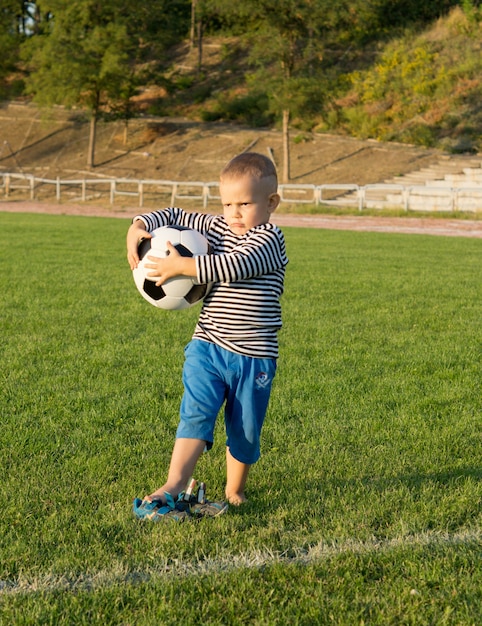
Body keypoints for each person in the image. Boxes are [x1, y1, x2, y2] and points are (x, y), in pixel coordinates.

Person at [126, 152, 288, 521]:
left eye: (244, 203)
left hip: (254, 357)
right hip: (208, 346)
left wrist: (180, 266)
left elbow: (232, 265)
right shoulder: (215, 227)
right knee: (196, 411)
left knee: (245, 429)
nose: (233, 213)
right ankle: (173, 484)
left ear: (271, 202)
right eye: (227, 203)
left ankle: (235, 490)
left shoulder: (269, 239)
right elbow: (173, 214)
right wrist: (138, 226)